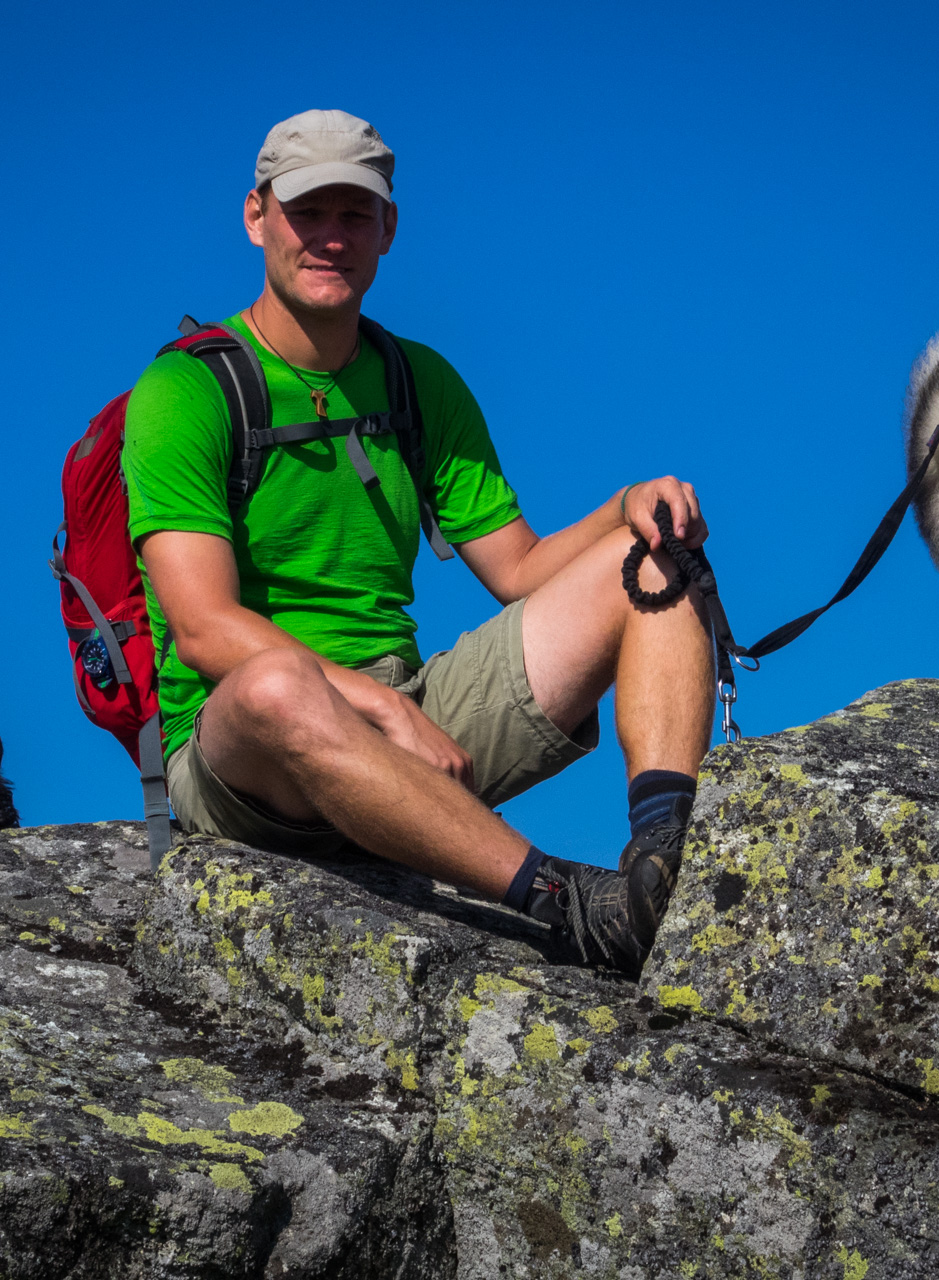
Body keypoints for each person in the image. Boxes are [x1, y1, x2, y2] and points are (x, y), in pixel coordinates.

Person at [122, 109, 715, 975]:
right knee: (278, 686)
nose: (331, 237)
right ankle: (567, 908)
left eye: (354, 214)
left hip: (411, 718)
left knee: (651, 564)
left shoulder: (417, 381)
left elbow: (518, 569)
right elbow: (205, 627)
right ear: (257, 217)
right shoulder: (187, 390)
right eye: (306, 212)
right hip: (245, 761)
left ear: (388, 229)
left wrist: (626, 506)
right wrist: (383, 708)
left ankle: (666, 866)